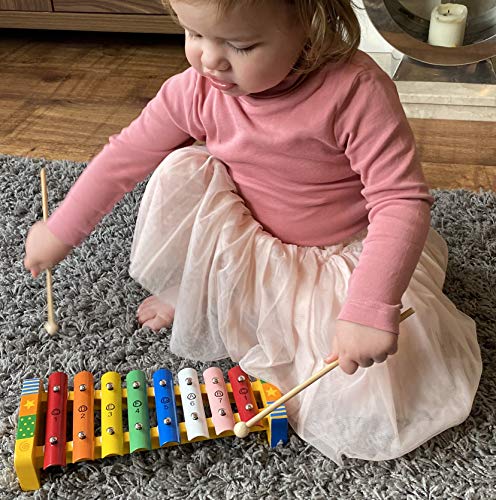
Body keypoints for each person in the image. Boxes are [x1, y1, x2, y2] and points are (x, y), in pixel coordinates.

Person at [24, 0, 482, 464]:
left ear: (311, 22)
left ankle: (244, 297)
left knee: (357, 392)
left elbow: (400, 201)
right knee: (183, 168)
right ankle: (198, 287)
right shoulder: (197, 89)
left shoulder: (355, 91)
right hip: (247, 231)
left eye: (239, 45)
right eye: (193, 34)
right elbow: (124, 157)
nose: (209, 60)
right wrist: (62, 229)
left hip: (339, 253)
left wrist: (367, 307)